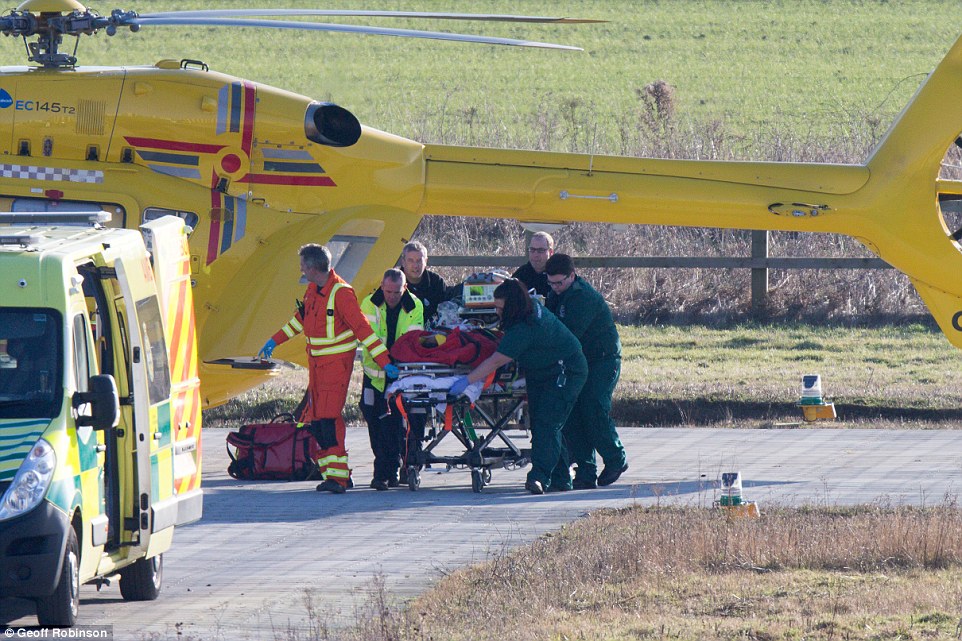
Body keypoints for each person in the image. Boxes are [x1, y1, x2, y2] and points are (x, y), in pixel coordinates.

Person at [258, 244, 391, 494]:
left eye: (302, 266)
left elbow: (363, 329)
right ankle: (335, 475)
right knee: (318, 421)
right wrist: (275, 340)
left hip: (335, 367)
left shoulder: (341, 293)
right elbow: (300, 320)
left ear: (311, 267)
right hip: (318, 367)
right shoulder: (313, 290)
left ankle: (339, 478)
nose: (301, 269)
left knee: (327, 420)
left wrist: (385, 362)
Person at [447, 279, 587, 494]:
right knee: (543, 425)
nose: (497, 312)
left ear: (512, 307)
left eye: (500, 308)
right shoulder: (530, 307)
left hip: (565, 372)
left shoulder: (526, 328)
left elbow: (495, 361)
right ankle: (560, 478)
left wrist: (467, 381)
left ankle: (539, 477)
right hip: (544, 372)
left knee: (547, 424)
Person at [545, 253, 628, 489]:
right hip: (578, 361)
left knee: (593, 406)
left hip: (602, 360)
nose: (555, 287)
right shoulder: (557, 294)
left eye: (559, 282)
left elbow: (568, 336)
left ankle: (615, 458)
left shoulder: (583, 298)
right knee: (573, 413)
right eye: (551, 283)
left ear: (572, 276)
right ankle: (585, 470)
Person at [359, 268, 424, 490]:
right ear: (381, 286)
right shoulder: (370, 304)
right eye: (387, 291)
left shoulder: (414, 306)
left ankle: (387, 472)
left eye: (396, 292)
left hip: (400, 376)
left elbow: (412, 340)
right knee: (373, 419)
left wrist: (396, 366)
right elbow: (371, 339)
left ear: (404, 288)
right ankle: (385, 469)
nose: (391, 296)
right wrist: (385, 363)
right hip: (374, 375)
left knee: (394, 423)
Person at [400, 241, 448, 326]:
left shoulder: (436, 282)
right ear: (403, 262)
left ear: (425, 261)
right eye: (411, 260)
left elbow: (447, 312)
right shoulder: (393, 282)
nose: (415, 265)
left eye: (419, 261)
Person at [511, 231, 554, 298]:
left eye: (540, 250)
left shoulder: (557, 274)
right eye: (532, 249)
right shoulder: (521, 274)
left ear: (550, 252)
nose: (535, 254)